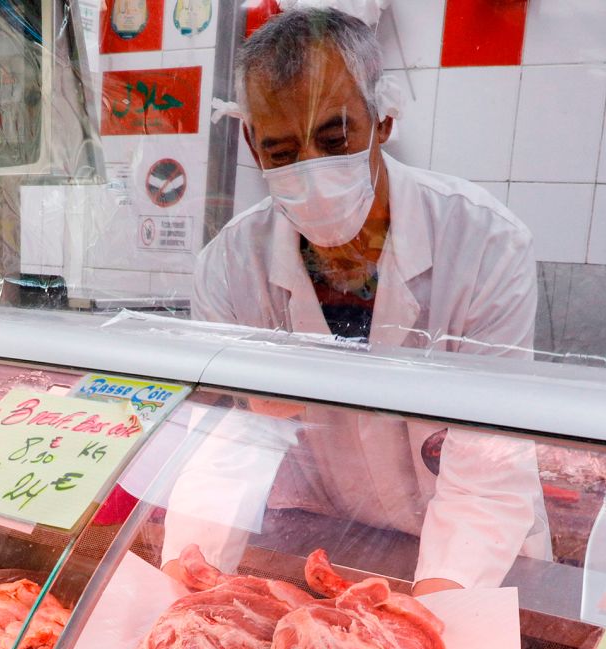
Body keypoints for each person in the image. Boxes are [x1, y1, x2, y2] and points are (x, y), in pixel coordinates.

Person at [165, 9, 550, 593]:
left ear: (383, 118)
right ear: (250, 140)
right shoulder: (229, 266)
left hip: (472, 553)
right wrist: (186, 584)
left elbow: (487, 466)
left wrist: (423, 625)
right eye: (282, 150)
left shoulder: (483, 241)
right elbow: (232, 442)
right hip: (327, 539)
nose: (312, 170)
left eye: (334, 138)